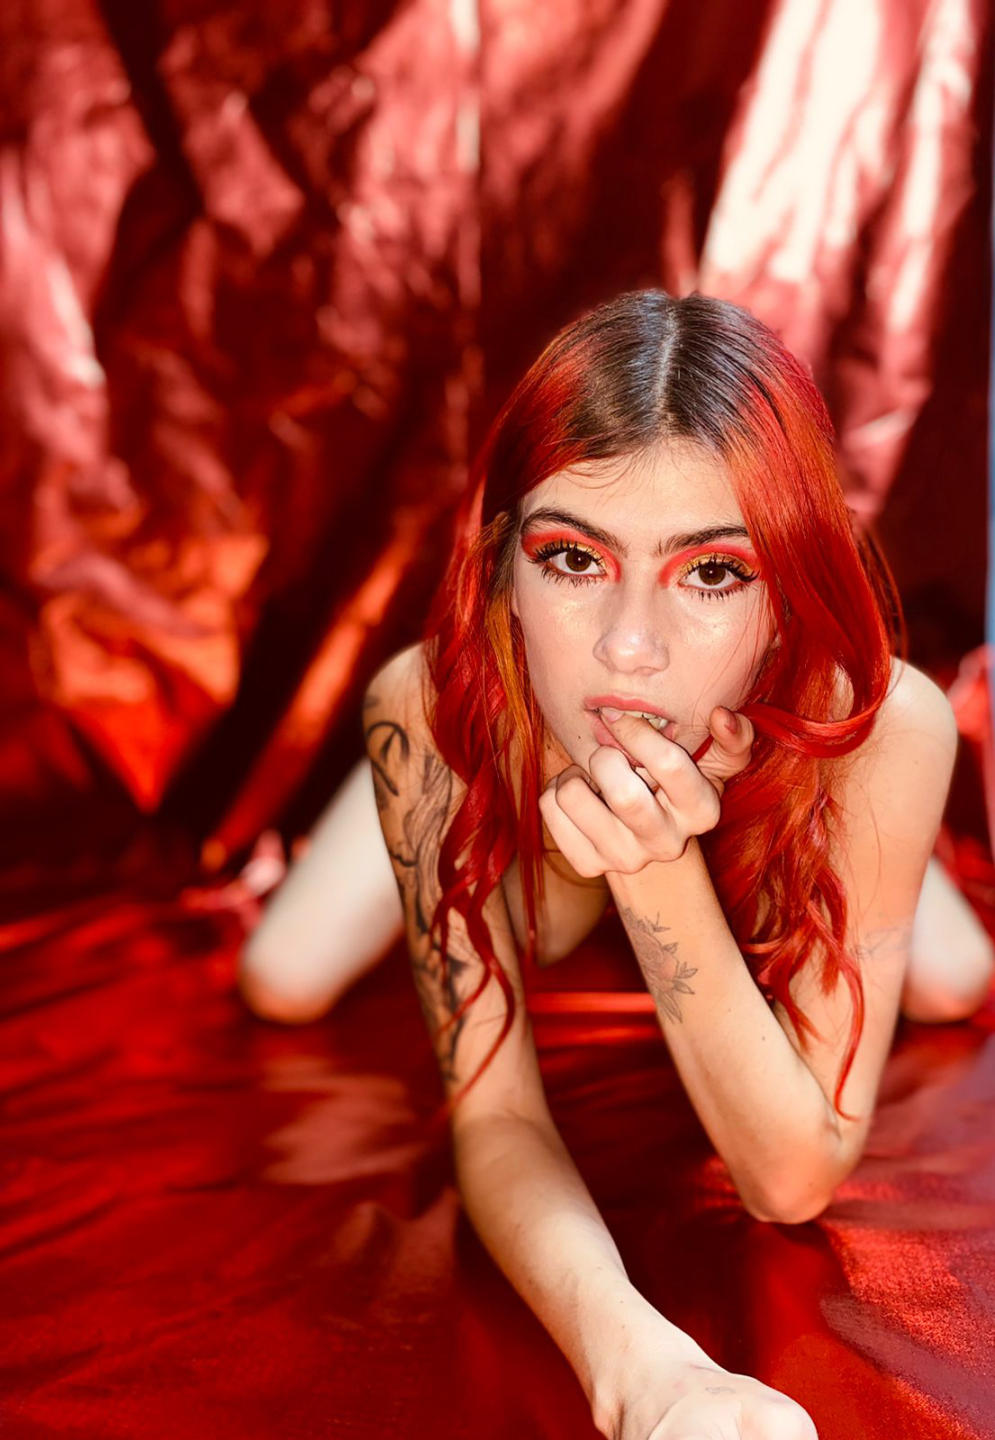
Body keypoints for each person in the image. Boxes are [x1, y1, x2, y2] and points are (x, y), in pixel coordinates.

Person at [244, 290, 995, 1438]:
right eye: (571, 558)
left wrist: (657, 875)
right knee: (282, 976)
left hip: (793, 744)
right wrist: (640, 1369)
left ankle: (831, 833)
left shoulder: (882, 719)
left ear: (786, 585)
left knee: (953, 981)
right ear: (503, 566)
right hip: (491, 722)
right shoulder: (428, 707)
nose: (627, 647)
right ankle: (467, 780)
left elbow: (788, 1178)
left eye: (711, 573)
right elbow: (494, 1122)